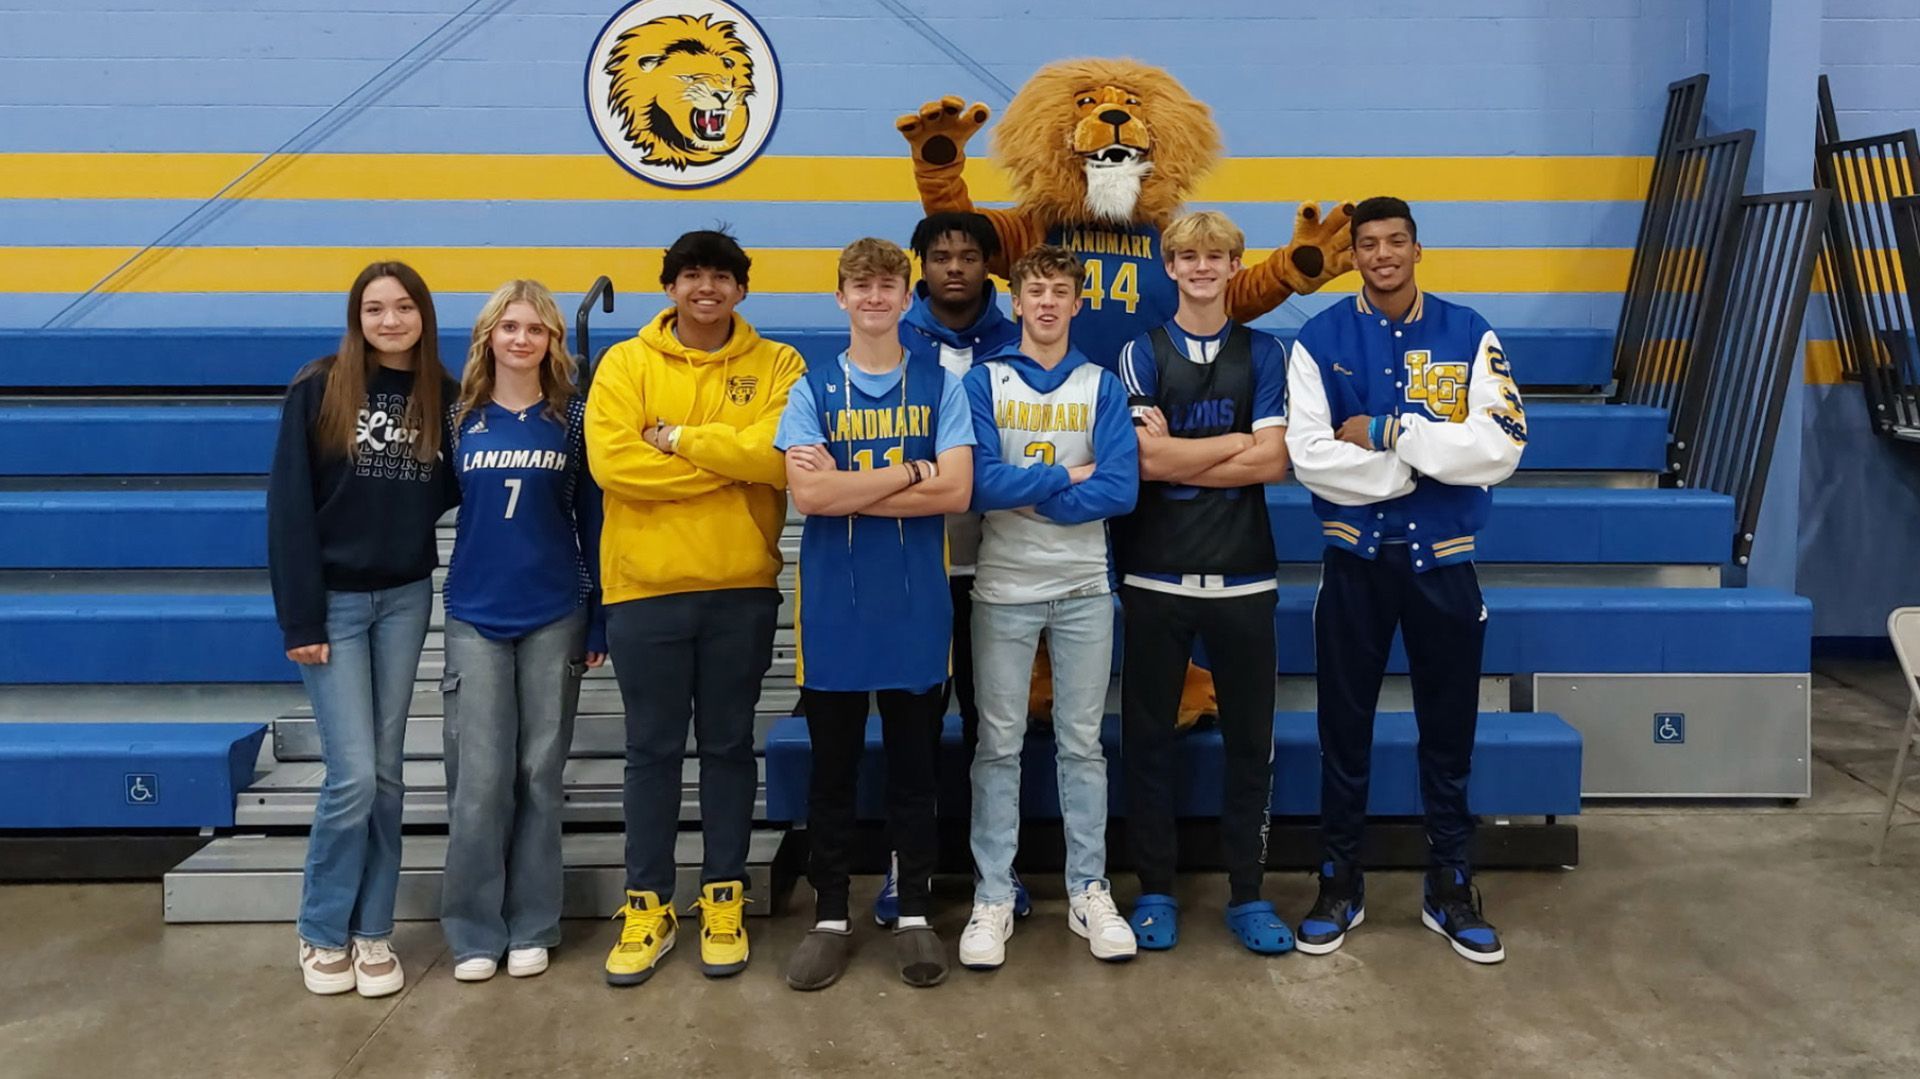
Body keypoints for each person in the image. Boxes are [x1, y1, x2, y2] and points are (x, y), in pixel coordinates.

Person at [1285, 196, 1527, 965]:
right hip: (1354, 564)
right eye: (1368, 244)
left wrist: (1394, 435)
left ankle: (1451, 883)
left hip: (1446, 565)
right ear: (1352, 255)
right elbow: (1310, 456)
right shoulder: (1318, 338)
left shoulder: (1469, 332)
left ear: (1418, 249)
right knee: (1342, 733)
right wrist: (1421, 465)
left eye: (1396, 241)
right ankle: (1338, 879)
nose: (1382, 254)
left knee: (1449, 734)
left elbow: (1502, 446)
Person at [586, 230, 805, 986]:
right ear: (670, 287)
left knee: (727, 747)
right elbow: (614, 463)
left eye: (721, 276)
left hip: (739, 584)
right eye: (691, 275)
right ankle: (647, 903)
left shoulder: (779, 364)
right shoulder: (625, 364)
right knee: (650, 752)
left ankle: (723, 896)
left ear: (741, 289)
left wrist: (676, 441)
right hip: (644, 588)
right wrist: (726, 466)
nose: (706, 287)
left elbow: (781, 458)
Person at [776, 238, 975, 991]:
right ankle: (830, 913)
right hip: (833, 607)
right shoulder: (812, 386)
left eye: (888, 285)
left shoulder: (940, 382)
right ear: (840, 298)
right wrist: (909, 470)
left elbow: (955, 491)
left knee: (914, 772)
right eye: (860, 286)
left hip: (917, 605)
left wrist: (855, 481)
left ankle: (916, 911)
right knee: (833, 771)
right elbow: (810, 497)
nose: (874, 297)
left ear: (906, 295)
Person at [268, 261, 458, 997]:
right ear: (357, 317)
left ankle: (372, 931)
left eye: (402, 306)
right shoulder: (318, 387)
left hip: (405, 598)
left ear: (422, 314)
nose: (389, 320)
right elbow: (288, 508)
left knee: (387, 775)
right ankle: (320, 931)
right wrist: (301, 616)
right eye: (374, 308)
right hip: (335, 606)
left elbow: (447, 489)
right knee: (351, 775)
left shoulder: (438, 395)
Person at [1115, 210, 1294, 955]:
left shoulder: (1267, 352)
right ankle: (1154, 887)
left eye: (1213, 256)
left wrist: (1184, 447)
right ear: (1169, 265)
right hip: (1154, 573)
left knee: (1251, 743)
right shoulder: (1139, 352)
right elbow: (1145, 464)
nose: (1199, 267)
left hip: (1245, 575)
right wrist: (1234, 444)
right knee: (1148, 740)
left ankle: (1247, 893)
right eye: (1185, 255)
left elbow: (1274, 461)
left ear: (1232, 265)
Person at [957, 244, 1140, 970]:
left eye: (1060, 291)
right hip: (1001, 587)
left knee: (1082, 745)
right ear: (1016, 299)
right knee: (996, 746)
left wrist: (1026, 490)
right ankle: (993, 895)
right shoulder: (984, 380)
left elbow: (1121, 489)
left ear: (1075, 302)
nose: (1047, 302)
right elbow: (976, 484)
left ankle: (1088, 889)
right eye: (1035, 290)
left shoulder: (1100, 385)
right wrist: (1066, 474)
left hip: (1084, 587)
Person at [439, 280, 607, 982]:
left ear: (552, 342)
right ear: (488, 336)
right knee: (479, 779)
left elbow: (593, 519)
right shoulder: (457, 420)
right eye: (508, 326)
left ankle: (535, 920)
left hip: (553, 610)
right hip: (476, 611)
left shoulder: (570, 419)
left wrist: (598, 611)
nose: (521, 338)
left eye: (535, 328)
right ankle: (475, 928)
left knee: (540, 773)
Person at [869, 210, 1031, 928]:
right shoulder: (894, 342)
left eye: (969, 255)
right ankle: (908, 869)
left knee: (996, 731)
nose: (956, 267)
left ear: (991, 266)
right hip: (915, 569)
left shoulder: (1022, 338)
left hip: (1003, 568)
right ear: (920, 269)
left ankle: (1001, 872)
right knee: (913, 729)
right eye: (941, 257)